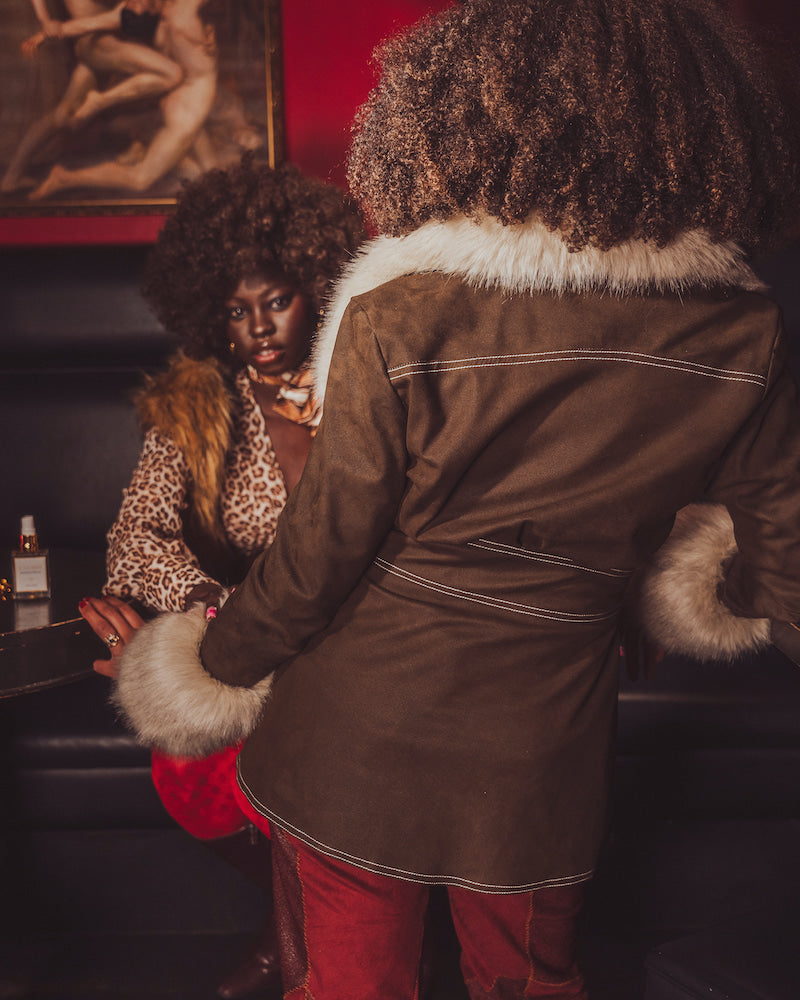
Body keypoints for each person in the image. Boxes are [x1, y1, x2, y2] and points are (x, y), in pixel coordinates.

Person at [112, 1, 800, 997]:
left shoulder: (401, 308)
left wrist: (210, 662)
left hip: (358, 729)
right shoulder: (743, 329)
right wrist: (664, 578)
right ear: (692, 126)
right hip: (542, 748)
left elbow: (322, 552)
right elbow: (777, 564)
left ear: (451, 125)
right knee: (527, 982)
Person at [78, 154, 365, 1000]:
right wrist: (216, 613)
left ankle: (295, 954)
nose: (260, 327)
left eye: (276, 300)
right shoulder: (200, 407)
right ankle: (303, 940)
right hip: (251, 645)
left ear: (316, 283)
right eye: (237, 313)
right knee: (191, 764)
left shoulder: (365, 387)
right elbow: (135, 536)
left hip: (366, 641)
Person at [28, 0, 218, 199]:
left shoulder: (183, 7)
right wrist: (48, 29)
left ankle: (143, 151)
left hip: (185, 99)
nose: (130, 3)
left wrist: (210, 28)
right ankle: (66, 178)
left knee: (209, 171)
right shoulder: (148, 14)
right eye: (131, 6)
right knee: (140, 179)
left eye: (134, 3)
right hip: (188, 104)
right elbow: (89, 24)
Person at [2, 1, 183, 193]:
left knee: (62, 115)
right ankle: (103, 104)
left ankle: (11, 177)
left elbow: (108, 20)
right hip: (97, 43)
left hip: (102, 40)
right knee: (170, 75)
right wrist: (45, 22)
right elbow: (97, 22)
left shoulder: (134, 9)